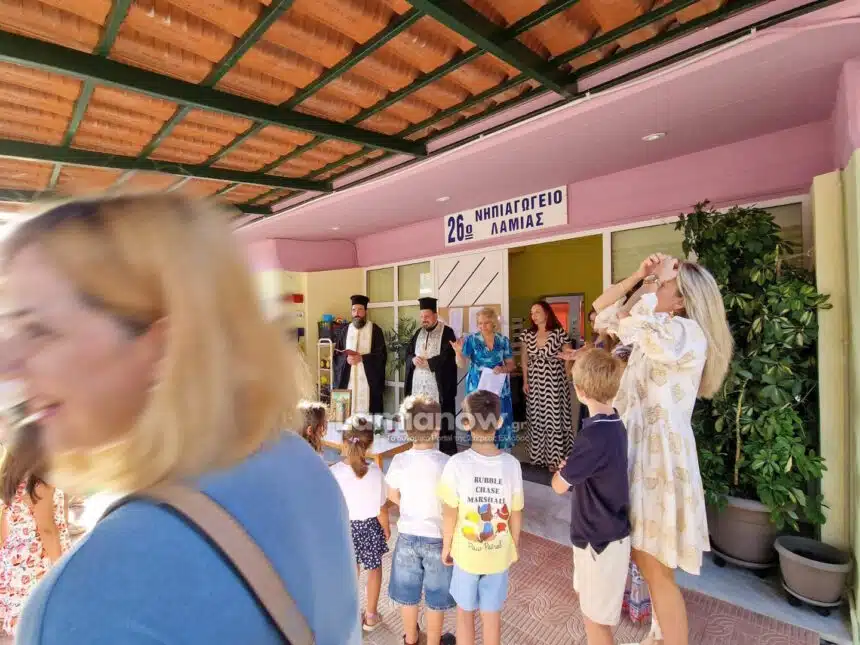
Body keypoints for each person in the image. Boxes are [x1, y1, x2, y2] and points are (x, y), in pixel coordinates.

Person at [2, 194, 361, 645]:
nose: (7, 364)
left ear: (162, 345)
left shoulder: (82, 603)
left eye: (38, 330)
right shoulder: (295, 459)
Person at [592, 254, 733, 645]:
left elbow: (631, 321)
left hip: (659, 458)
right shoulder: (655, 328)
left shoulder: (684, 333)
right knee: (644, 557)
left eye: (664, 283)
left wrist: (650, 286)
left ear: (682, 300)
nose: (652, 288)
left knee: (655, 566)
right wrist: (639, 277)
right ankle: (659, 633)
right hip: (638, 449)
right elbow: (602, 311)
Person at [551, 349, 629, 645]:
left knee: (596, 622)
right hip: (601, 536)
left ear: (580, 390)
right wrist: (574, 468)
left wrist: (563, 472)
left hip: (599, 540)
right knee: (590, 611)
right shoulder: (615, 423)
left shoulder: (593, 436)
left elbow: (559, 486)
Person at [439, 390, 523, 645]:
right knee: (492, 617)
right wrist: (514, 545)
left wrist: (446, 546)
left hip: (466, 555)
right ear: (499, 422)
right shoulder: (512, 465)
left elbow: (449, 512)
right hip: (498, 555)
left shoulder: (456, 464)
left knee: (464, 615)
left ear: (466, 423)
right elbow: (516, 512)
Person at [386, 395, 456, 645]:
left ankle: (411, 638)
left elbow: (392, 494)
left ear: (407, 430)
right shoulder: (447, 463)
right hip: (438, 539)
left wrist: (407, 505)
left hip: (406, 537)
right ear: (437, 429)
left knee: (408, 595)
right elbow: (452, 504)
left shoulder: (400, 460)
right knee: (436, 597)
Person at [0, 426, 71, 637]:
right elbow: (47, 529)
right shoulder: (39, 483)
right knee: (42, 622)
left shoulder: (9, 478)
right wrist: (61, 567)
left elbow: (3, 525)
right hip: (37, 565)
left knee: (24, 627)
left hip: (15, 564)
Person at [330, 415, 390, 633]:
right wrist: (386, 527)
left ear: (343, 442)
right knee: (374, 569)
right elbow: (382, 508)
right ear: (370, 444)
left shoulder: (333, 472)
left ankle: (351, 614)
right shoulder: (375, 472)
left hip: (345, 529)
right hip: (370, 528)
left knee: (350, 571)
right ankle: (371, 616)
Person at [450, 309, 516, 451]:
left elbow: (511, 364)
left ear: (493, 323)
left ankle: (500, 451)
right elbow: (461, 364)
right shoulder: (472, 340)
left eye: (486, 323)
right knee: (478, 417)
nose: (482, 326)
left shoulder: (503, 340)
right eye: (480, 323)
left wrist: (503, 368)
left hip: (498, 387)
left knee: (499, 415)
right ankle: (479, 451)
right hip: (477, 387)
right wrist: (458, 352)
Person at [521, 300, 573, 471]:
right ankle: (538, 457)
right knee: (536, 418)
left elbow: (569, 356)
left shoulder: (559, 333)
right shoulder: (527, 334)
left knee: (554, 418)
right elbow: (524, 359)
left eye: (537, 312)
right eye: (532, 313)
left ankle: (556, 459)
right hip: (535, 381)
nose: (533, 316)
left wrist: (568, 376)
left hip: (555, 382)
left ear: (546, 313)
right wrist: (525, 381)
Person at [404, 297, 458, 456]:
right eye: (421, 317)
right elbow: (408, 353)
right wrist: (412, 359)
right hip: (418, 385)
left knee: (442, 419)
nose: (423, 320)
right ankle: (421, 448)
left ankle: (445, 453)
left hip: (439, 386)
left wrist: (430, 363)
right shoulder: (418, 333)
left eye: (427, 316)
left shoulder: (447, 332)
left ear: (435, 315)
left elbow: (449, 356)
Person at [333, 295, 387, 415]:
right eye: (354, 310)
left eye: (360, 310)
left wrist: (362, 358)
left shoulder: (375, 330)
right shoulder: (344, 331)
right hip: (348, 381)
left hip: (368, 383)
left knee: (368, 419)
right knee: (345, 419)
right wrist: (346, 359)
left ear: (366, 311)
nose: (356, 313)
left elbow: (381, 356)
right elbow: (337, 355)